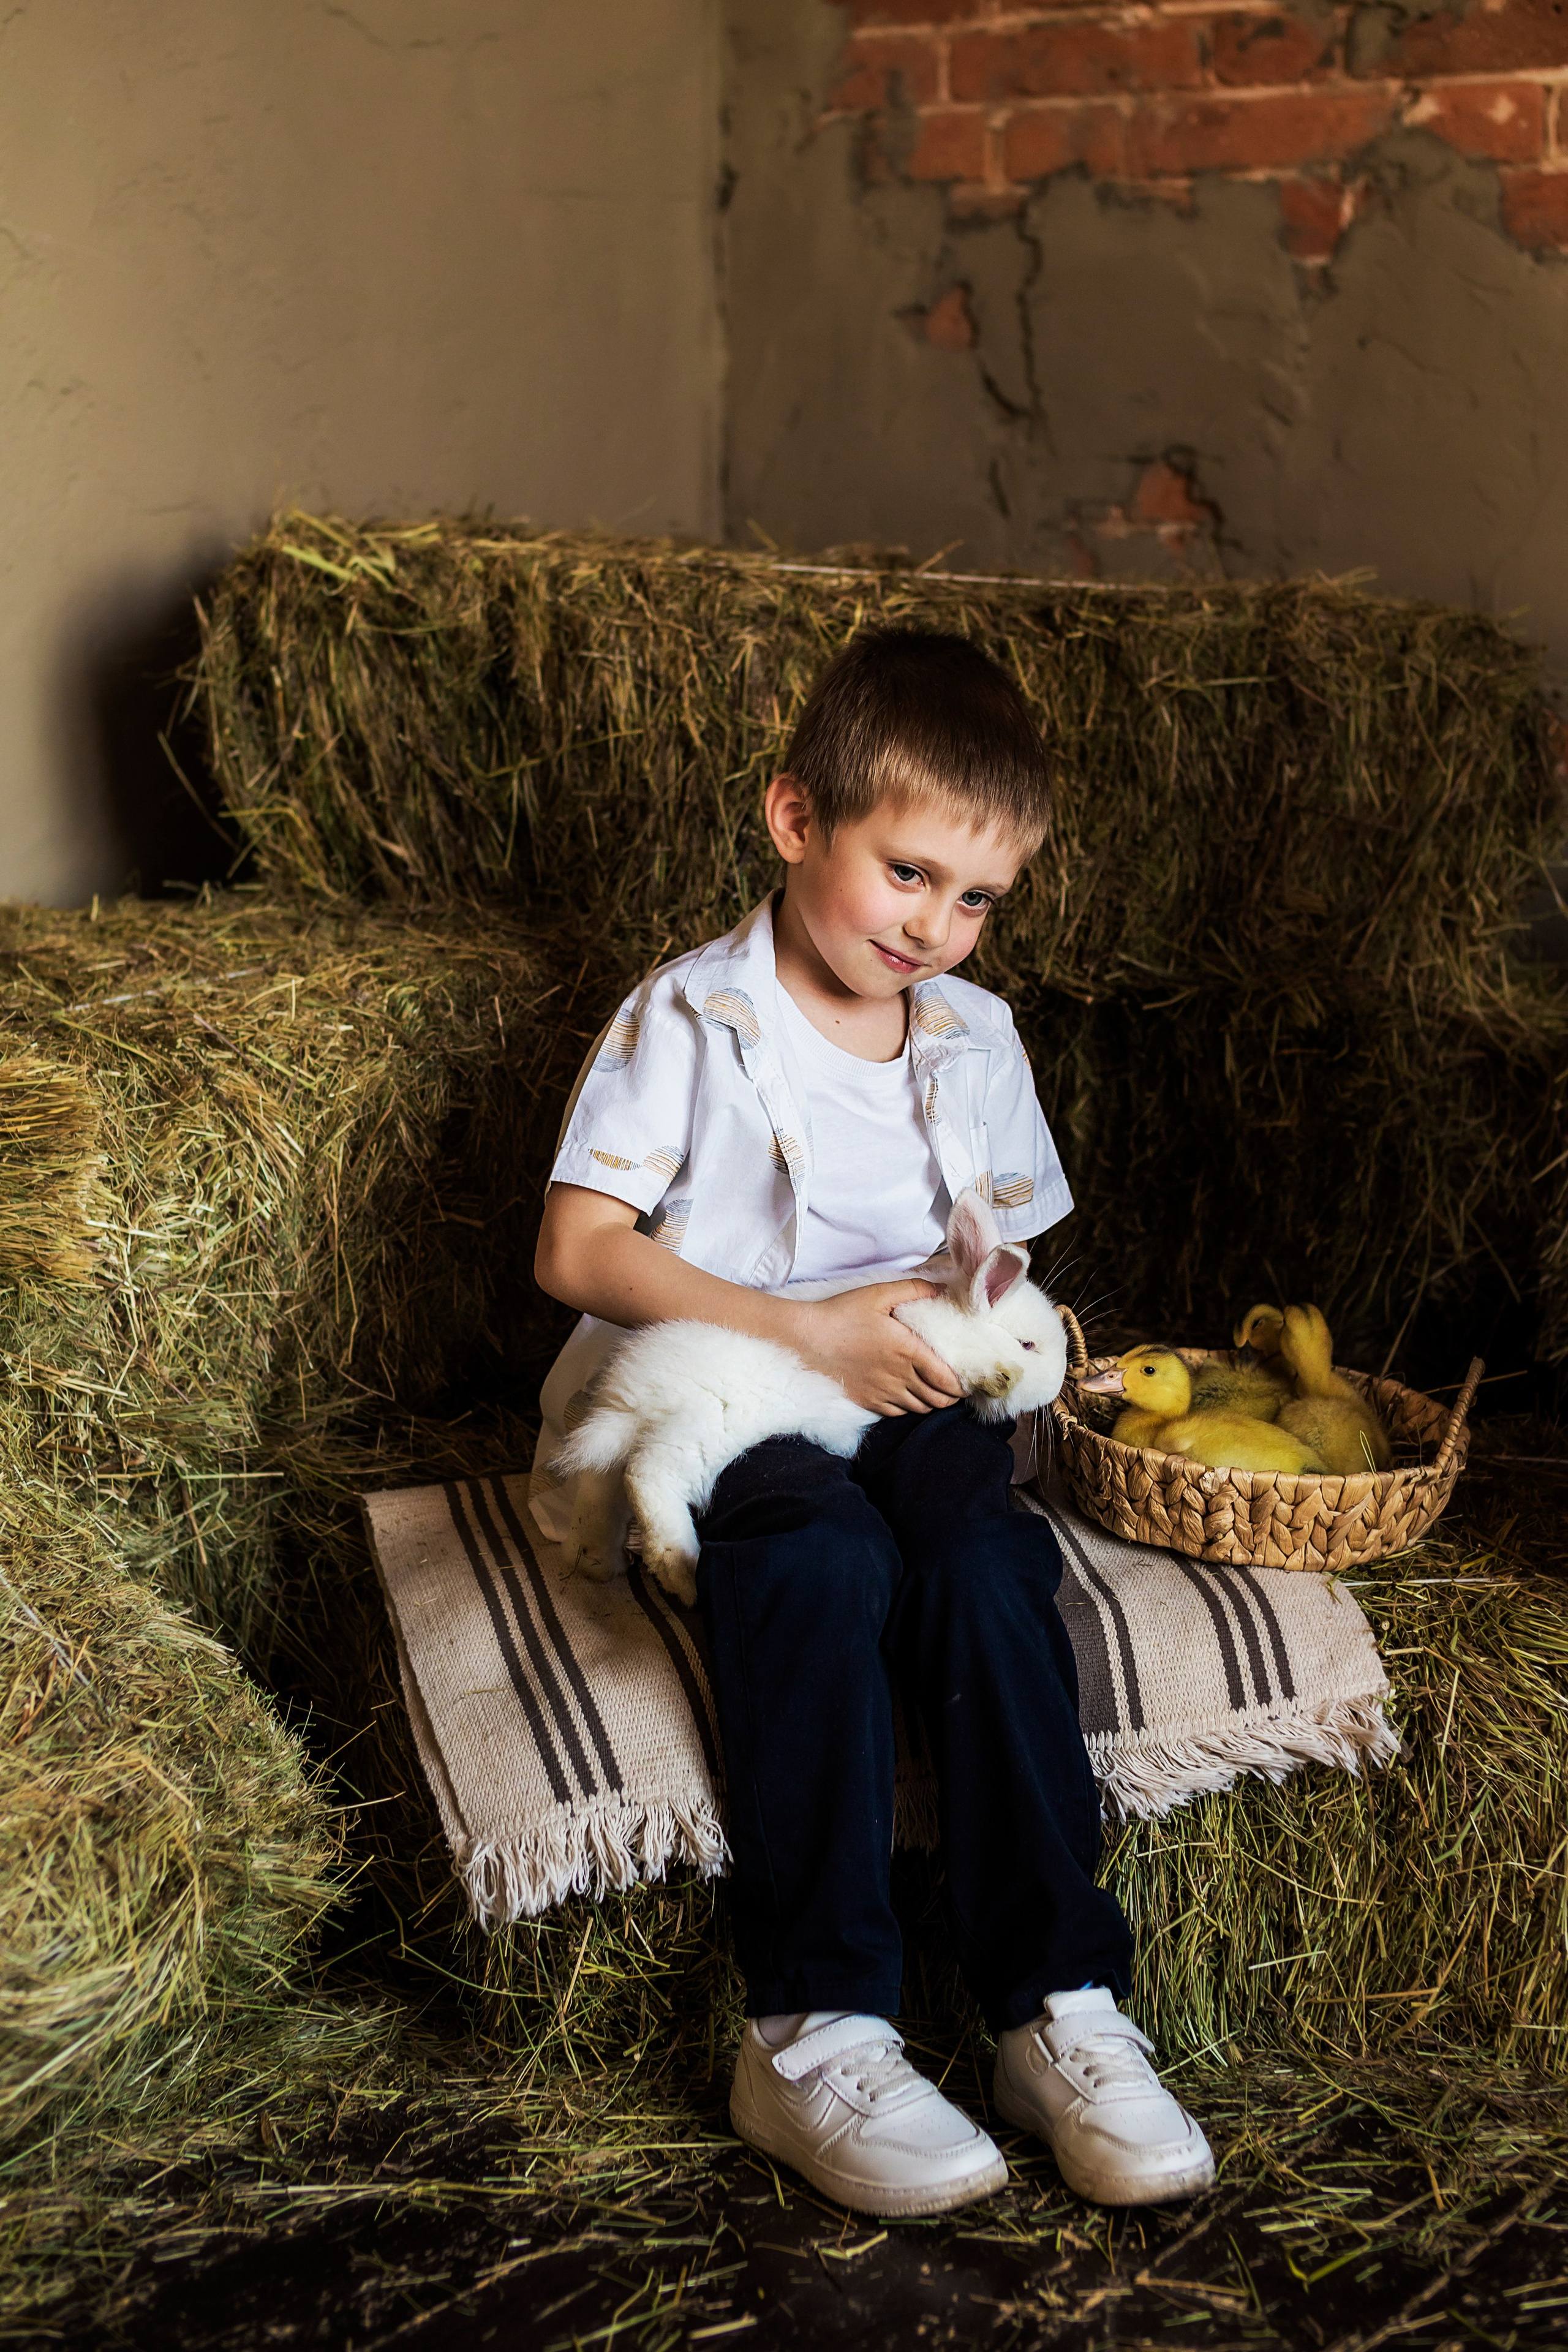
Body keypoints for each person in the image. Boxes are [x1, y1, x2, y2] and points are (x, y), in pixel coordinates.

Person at [531, 629, 1214, 2218]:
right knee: (824, 1562)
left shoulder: (975, 1040)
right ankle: (817, 2024)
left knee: (982, 1559)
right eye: (907, 873)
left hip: (898, 1372)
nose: (936, 927)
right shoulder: (693, 1019)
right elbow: (575, 1252)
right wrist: (804, 1332)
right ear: (793, 820)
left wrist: (972, 1289)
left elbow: (1000, 1228)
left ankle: (1056, 2007)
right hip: (730, 1384)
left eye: (977, 898)